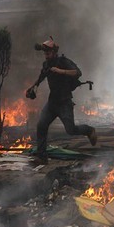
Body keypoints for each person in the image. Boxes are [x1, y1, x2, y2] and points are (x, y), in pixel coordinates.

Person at [26, 37, 97, 165]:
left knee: (70, 130)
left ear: (54, 52)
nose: (46, 56)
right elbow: (41, 78)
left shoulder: (63, 61)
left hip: (65, 102)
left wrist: (60, 71)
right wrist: (33, 88)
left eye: (48, 53)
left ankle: (89, 130)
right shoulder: (46, 64)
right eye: (45, 54)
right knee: (41, 126)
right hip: (52, 102)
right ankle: (42, 157)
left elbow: (78, 72)